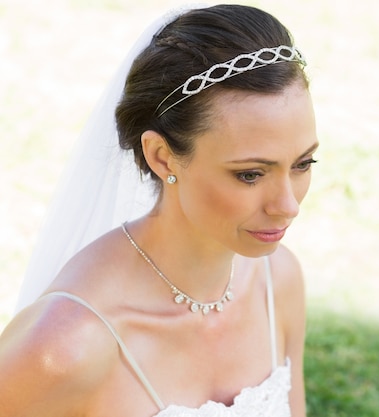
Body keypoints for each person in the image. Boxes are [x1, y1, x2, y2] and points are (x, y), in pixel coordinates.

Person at [0, 4, 317, 417]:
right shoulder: (66, 347)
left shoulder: (278, 283)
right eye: (251, 174)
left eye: (303, 164)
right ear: (162, 157)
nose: (288, 206)